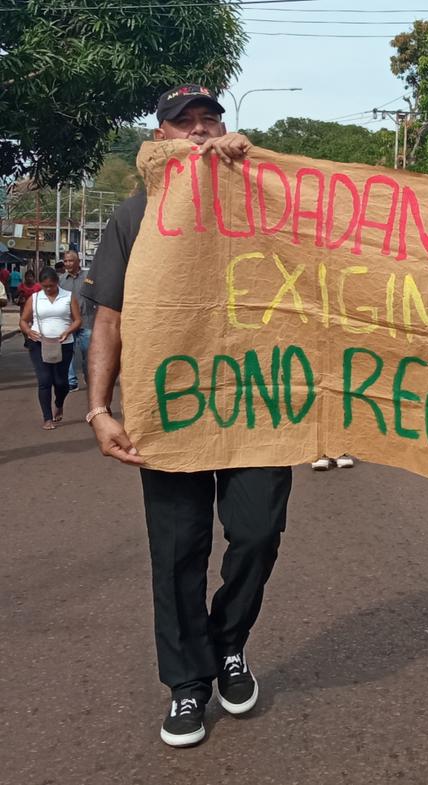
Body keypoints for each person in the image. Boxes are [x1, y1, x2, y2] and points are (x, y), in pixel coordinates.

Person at [82, 84, 293, 749]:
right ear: (160, 138)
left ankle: (227, 641)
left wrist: (264, 168)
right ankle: (187, 683)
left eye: (211, 120)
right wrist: (96, 408)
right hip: (169, 410)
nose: (199, 132)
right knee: (178, 550)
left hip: (257, 405)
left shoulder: (266, 203)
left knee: (257, 533)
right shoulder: (133, 215)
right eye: (185, 123)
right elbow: (108, 317)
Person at [19, 266, 81, 429]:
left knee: (61, 382)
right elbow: (24, 320)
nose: (47, 289)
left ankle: (59, 403)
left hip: (63, 344)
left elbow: (77, 320)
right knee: (45, 380)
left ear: (56, 283)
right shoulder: (35, 298)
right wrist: (28, 332)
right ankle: (47, 418)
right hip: (39, 344)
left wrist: (68, 331)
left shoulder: (68, 297)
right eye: (44, 286)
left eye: (51, 286)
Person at [60, 249, 93, 390]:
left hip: (87, 321)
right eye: (65, 261)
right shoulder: (61, 281)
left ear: (78, 261)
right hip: (68, 323)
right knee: (68, 354)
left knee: (88, 354)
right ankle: (71, 381)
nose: (67, 263)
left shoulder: (88, 277)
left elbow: (97, 293)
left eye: (70, 260)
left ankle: (89, 376)